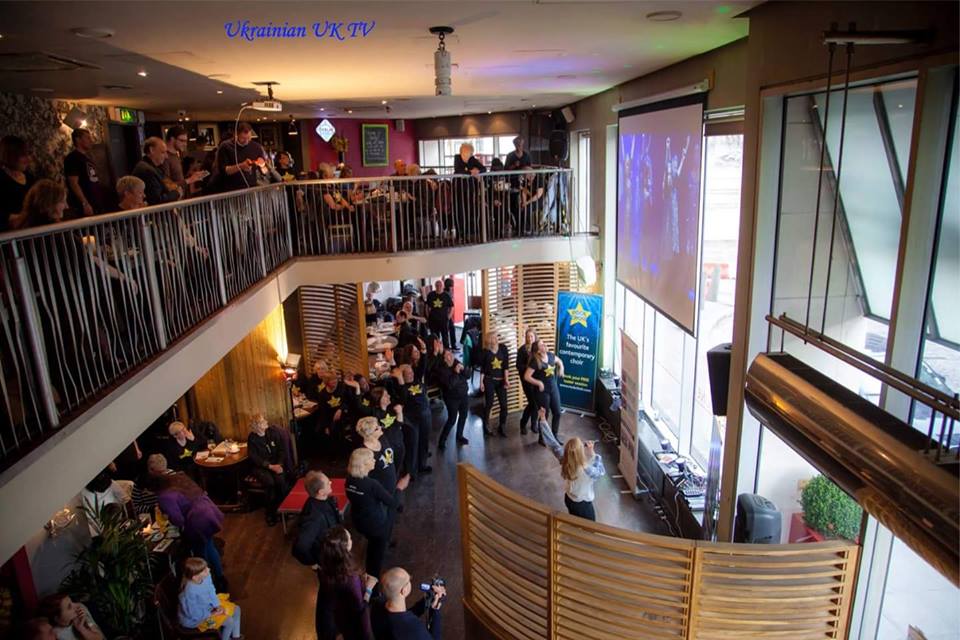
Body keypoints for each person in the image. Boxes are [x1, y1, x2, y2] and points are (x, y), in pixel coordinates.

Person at [148, 454, 226, 587]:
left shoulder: (164, 494)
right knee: (209, 546)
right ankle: (220, 578)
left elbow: (177, 519)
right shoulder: (180, 476)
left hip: (197, 520)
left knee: (200, 554)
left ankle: (206, 584)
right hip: (208, 510)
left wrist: (171, 520)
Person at [345, 447, 405, 580]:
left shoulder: (349, 480)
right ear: (364, 465)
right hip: (376, 524)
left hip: (358, 520)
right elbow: (393, 503)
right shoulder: (372, 484)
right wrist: (399, 488)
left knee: (373, 540)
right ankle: (373, 585)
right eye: (372, 459)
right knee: (375, 556)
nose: (374, 460)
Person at [538, 412, 605, 521]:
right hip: (582, 504)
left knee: (575, 520)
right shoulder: (587, 470)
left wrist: (543, 420)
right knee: (590, 526)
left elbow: (553, 444)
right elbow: (600, 472)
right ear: (581, 452)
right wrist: (592, 452)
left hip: (569, 499)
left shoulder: (565, 460)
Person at [315, 526, 377, 640]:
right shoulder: (350, 579)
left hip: (328, 619)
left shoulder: (324, 567)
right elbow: (361, 611)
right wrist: (369, 588)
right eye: (350, 538)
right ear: (345, 548)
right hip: (345, 624)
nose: (351, 540)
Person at [371, 567, 445, 640]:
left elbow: (403, 616)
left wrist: (426, 600)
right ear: (404, 590)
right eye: (408, 580)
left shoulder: (376, 606)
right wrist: (435, 610)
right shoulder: (414, 628)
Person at [178, 557, 241, 640]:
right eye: (204, 570)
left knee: (237, 609)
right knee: (229, 622)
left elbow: (211, 590)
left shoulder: (206, 576)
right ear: (195, 577)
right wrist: (212, 613)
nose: (209, 569)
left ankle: (236, 637)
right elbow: (193, 614)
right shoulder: (189, 592)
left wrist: (217, 605)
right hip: (196, 619)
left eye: (206, 567)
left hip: (208, 607)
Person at [247, 414, 291, 526]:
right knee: (270, 482)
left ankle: (284, 510)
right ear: (257, 426)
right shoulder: (252, 438)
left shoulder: (272, 433)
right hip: (261, 467)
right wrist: (270, 466)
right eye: (263, 421)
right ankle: (271, 513)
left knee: (280, 481)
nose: (266, 421)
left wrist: (279, 464)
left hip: (276, 464)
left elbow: (281, 450)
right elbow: (254, 458)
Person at [293, 470, 343, 567]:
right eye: (327, 483)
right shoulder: (315, 517)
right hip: (327, 558)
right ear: (321, 492)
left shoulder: (327, 499)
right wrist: (313, 561)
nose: (330, 482)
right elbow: (300, 547)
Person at [524, 340, 565, 440]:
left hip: (553, 388)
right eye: (542, 345)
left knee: (557, 412)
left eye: (544, 343)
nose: (545, 345)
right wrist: (538, 383)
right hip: (542, 392)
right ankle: (542, 438)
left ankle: (554, 436)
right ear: (538, 351)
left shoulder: (550, 355)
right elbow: (526, 376)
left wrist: (561, 368)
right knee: (544, 415)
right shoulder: (535, 361)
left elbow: (559, 361)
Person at [63, 128, 105, 217]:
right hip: (84, 205)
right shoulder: (72, 158)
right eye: (87, 138)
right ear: (78, 140)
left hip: (96, 202)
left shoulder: (86, 158)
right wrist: (84, 203)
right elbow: (73, 183)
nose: (91, 141)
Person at [215, 121, 267, 192]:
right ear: (235, 135)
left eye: (249, 138)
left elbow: (264, 168)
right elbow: (224, 171)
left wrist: (262, 163)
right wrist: (241, 166)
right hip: (232, 189)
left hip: (251, 187)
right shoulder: (225, 146)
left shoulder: (256, 147)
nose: (246, 141)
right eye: (243, 138)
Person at [435, 349, 470, 450]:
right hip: (452, 399)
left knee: (463, 416)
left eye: (451, 353)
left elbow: (467, 376)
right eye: (448, 354)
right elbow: (450, 385)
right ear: (444, 359)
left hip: (463, 395)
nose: (451, 355)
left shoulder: (457, 362)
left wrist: (465, 369)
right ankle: (442, 441)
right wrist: (456, 372)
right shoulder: (441, 370)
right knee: (452, 419)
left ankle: (459, 436)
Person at [0, 135, 36, 231]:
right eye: (23, 156)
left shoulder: (30, 177)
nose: (28, 160)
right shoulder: (2, 178)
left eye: (28, 155)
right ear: (10, 156)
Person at [133, 136, 182, 205]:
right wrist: (177, 193)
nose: (166, 156)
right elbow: (157, 200)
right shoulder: (147, 170)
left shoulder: (151, 168)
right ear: (152, 150)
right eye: (163, 152)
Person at [479, 332, 510, 438]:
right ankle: (486, 424)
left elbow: (506, 366)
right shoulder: (485, 352)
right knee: (489, 403)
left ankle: (502, 425)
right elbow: (483, 369)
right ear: (489, 341)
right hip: (489, 380)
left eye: (496, 337)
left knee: (504, 405)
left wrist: (506, 380)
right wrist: (481, 382)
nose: (496, 339)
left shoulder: (503, 348)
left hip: (501, 381)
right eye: (493, 338)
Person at [37, 593, 104, 640]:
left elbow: (99, 637)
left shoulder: (80, 610)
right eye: (69, 607)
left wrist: (82, 628)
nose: (76, 605)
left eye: (72, 601)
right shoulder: (54, 634)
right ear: (57, 619)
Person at [516, 328, 538, 435]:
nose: (530, 339)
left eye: (532, 336)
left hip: (536, 380)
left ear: (535, 337)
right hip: (526, 381)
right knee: (533, 403)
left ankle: (534, 424)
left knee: (536, 403)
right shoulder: (522, 350)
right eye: (528, 336)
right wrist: (529, 368)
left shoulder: (537, 349)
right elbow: (518, 366)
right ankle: (523, 424)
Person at [425, 280, 453, 350]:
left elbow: (452, 307)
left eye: (440, 285)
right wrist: (428, 316)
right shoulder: (430, 295)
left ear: (443, 286)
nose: (438, 287)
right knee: (434, 337)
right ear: (435, 286)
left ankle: (446, 350)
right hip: (433, 320)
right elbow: (427, 306)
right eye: (437, 285)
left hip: (444, 320)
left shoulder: (446, 295)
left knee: (445, 336)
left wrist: (449, 316)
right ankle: (436, 350)